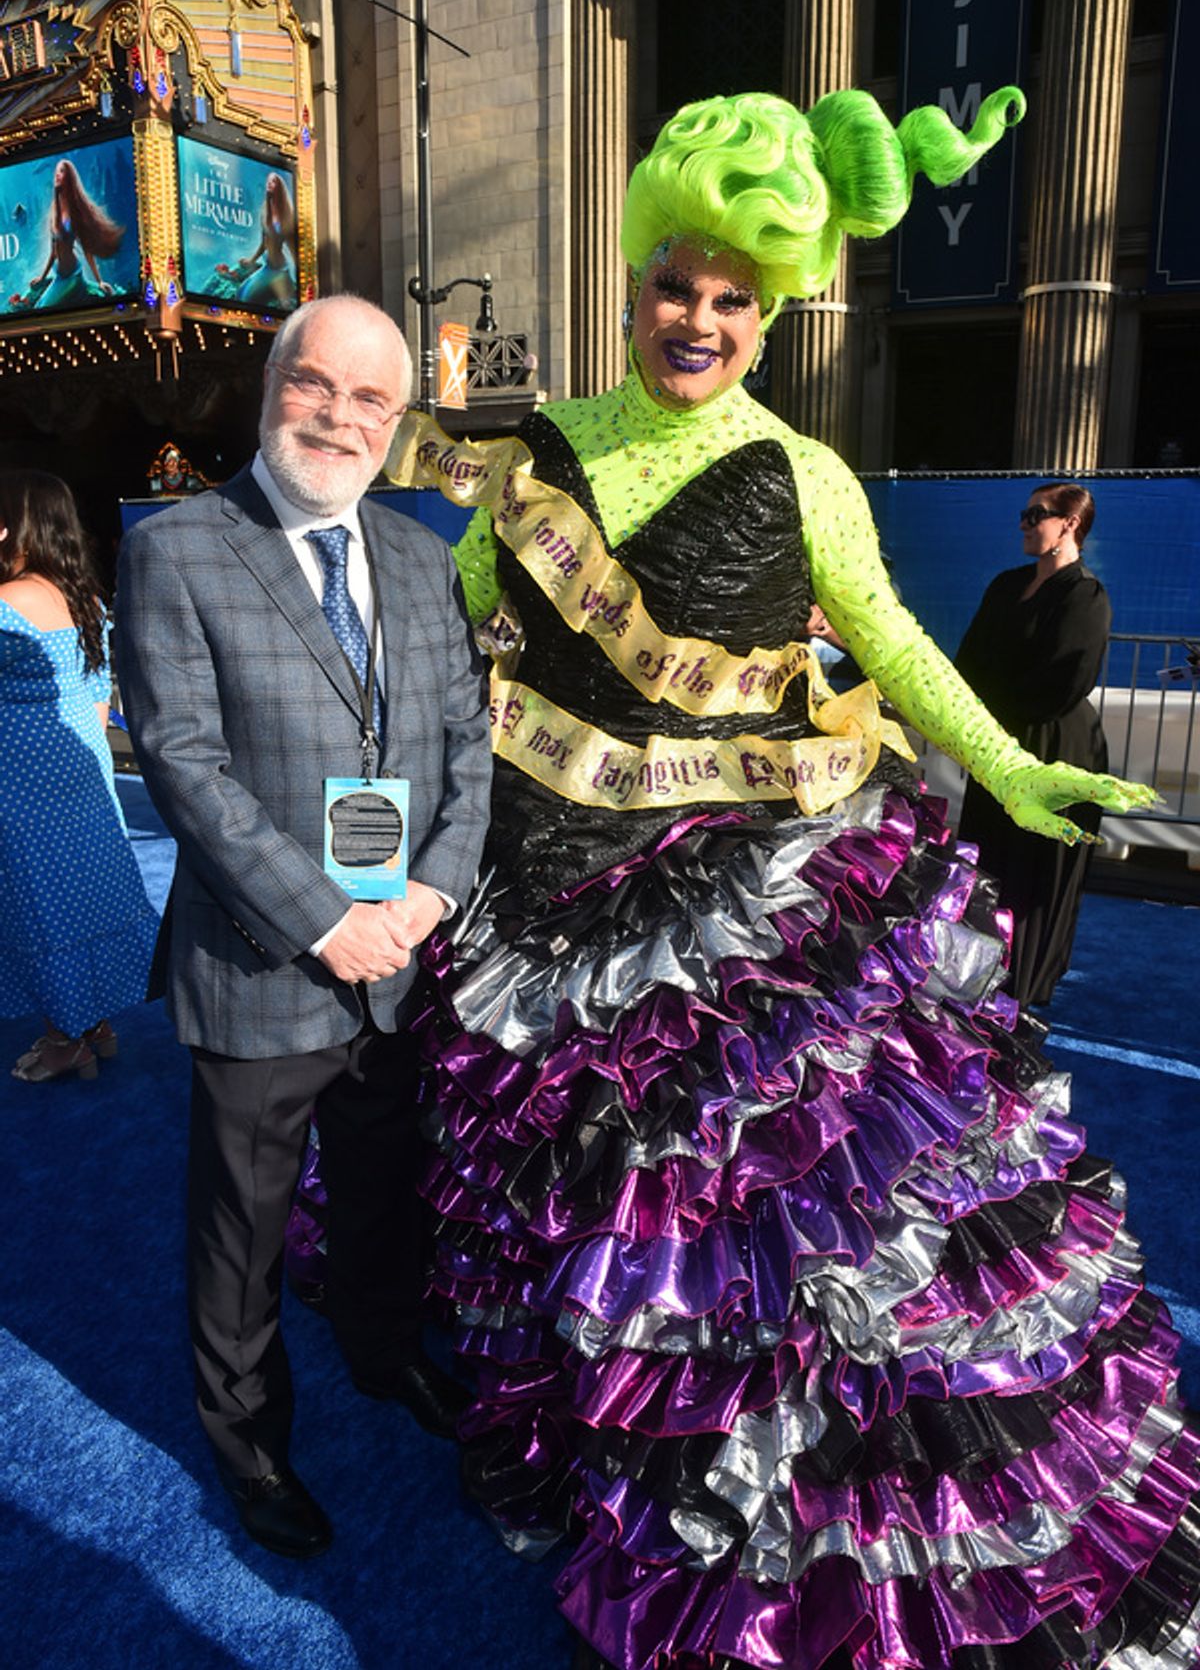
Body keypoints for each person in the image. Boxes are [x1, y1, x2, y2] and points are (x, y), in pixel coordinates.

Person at [389, 92, 1200, 1670]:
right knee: (593, 1224)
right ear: (632, 288)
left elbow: (890, 643)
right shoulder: (544, 453)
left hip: (746, 904)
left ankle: (799, 1557)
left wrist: (1015, 768)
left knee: (789, 1230)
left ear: (771, 313)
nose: (701, 318)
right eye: (680, 285)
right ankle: (616, 1463)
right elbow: (456, 629)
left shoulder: (808, 474)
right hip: (548, 898)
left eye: (734, 298)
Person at [113, 294, 492, 1561]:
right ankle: (250, 1442)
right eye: (316, 385)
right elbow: (184, 763)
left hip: (399, 963)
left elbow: (464, 752)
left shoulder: (424, 558)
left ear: (397, 418)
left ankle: (386, 1358)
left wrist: (427, 895)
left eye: (372, 398)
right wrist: (327, 917)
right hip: (263, 965)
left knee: (387, 1197)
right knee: (243, 1236)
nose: (341, 415)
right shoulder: (178, 550)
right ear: (272, 386)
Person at [0, 470, 158, 1081]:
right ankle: (94, 1023)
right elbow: (97, 696)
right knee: (80, 897)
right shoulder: (87, 600)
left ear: (20, 524)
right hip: (84, 773)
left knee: (40, 905)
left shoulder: (9, 601)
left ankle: (66, 1039)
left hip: (22, 781)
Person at [956, 484, 1112, 1007]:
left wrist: (995, 720)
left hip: (1055, 750)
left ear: (1069, 523)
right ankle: (977, 971)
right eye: (1023, 515)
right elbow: (970, 660)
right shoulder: (1006, 584)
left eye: (1035, 515)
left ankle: (1023, 984)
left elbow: (1067, 679)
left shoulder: (1084, 594)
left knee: (1035, 868)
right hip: (999, 745)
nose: (1023, 523)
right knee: (988, 858)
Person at [19, 158, 126, 311]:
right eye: (56, 171)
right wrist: (41, 277)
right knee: (35, 304)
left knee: (42, 308)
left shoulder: (75, 211)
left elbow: (87, 250)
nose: (57, 174)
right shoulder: (54, 211)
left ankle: (93, 286)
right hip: (58, 275)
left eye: (62, 171)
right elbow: (53, 252)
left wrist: (100, 280)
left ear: (69, 177)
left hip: (71, 275)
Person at [213, 171, 298, 310]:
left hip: (279, 270)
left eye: (274, 181)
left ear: (280, 187)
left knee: (250, 298)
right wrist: (251, 260)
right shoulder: (265, 209)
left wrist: (300, 277)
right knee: (241, 293)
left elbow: (293, 247)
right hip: (267, 267)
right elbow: (264, 242)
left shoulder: (286, 215)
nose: (269, 183)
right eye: (268, 181)